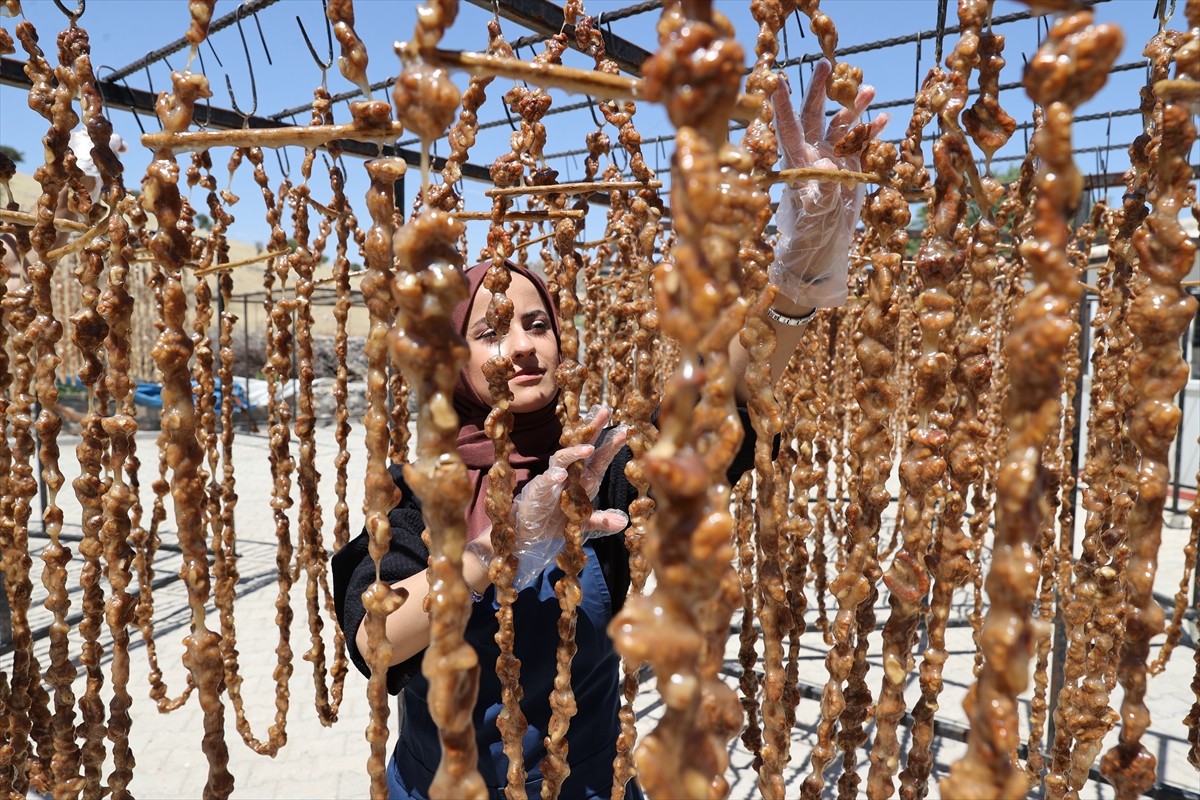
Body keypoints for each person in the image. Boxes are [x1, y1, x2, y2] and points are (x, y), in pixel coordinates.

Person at [333, 61, 886, 800]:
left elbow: (713, 415)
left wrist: (794, 281)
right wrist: (501, 548)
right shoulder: (410, 499)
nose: (525, 345)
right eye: (493, 330)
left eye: (538, 324)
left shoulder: (596, 472)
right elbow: (378, 643)